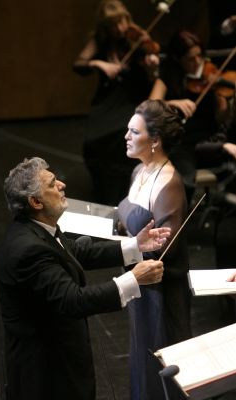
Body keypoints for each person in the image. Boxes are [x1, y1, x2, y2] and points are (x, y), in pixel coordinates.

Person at [0, 156, 170, 400]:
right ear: (35, 201)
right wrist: (134, 280)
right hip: (47, 376)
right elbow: (73, 300)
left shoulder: (36, 228)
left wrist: (135, 246)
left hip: (59, 361)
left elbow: (76, 252)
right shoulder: (28, 250)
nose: (62, 185)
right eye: (52, 184)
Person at [117, 100, 192, 400]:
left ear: (155, 140)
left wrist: (125, 234)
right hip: (140, 282)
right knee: (141, 355)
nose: (126, 136)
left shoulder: (169, 185)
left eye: (134, 132)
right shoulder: (140, 171)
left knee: (159, 362)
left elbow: (163, 250)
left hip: (162, 292)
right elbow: (130, 222)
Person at [73, 0, 160, 205]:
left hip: (133, 98)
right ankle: (102, 187)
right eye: (113, 25)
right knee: (93, 140)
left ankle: (126, 188)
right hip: (108, 98)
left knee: (122, 134)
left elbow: (154, 72)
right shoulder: (100, 40)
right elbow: (78, 64)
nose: (120, 28)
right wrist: (99, 63)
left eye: (122, 21)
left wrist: (152, 64)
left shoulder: (137, 38)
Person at [148, 30, 234, 203]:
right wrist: (172, 103)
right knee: (184, 181)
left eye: (199, 56)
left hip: (209, 140)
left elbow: (220, 120)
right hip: (183, 143)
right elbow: (148, 107)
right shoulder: (168, 76)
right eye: (190, 58)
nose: (197, 62)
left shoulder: (212, 77)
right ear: (177, 59)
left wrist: (224, 105)